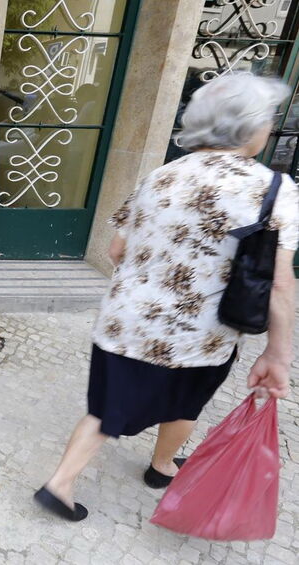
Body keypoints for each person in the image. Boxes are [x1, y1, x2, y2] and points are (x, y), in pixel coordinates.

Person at [34, 72, 299, 522]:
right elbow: (279, 283)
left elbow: (116, 248)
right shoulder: (274, 191)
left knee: (105, 409)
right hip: (203, 336)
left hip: (127, 322)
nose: (269, 129)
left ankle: (60, 483)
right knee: (185, 403)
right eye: (266, 120)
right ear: (248, 127)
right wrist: (278, 353)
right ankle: (160, 466)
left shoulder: (161, 176)